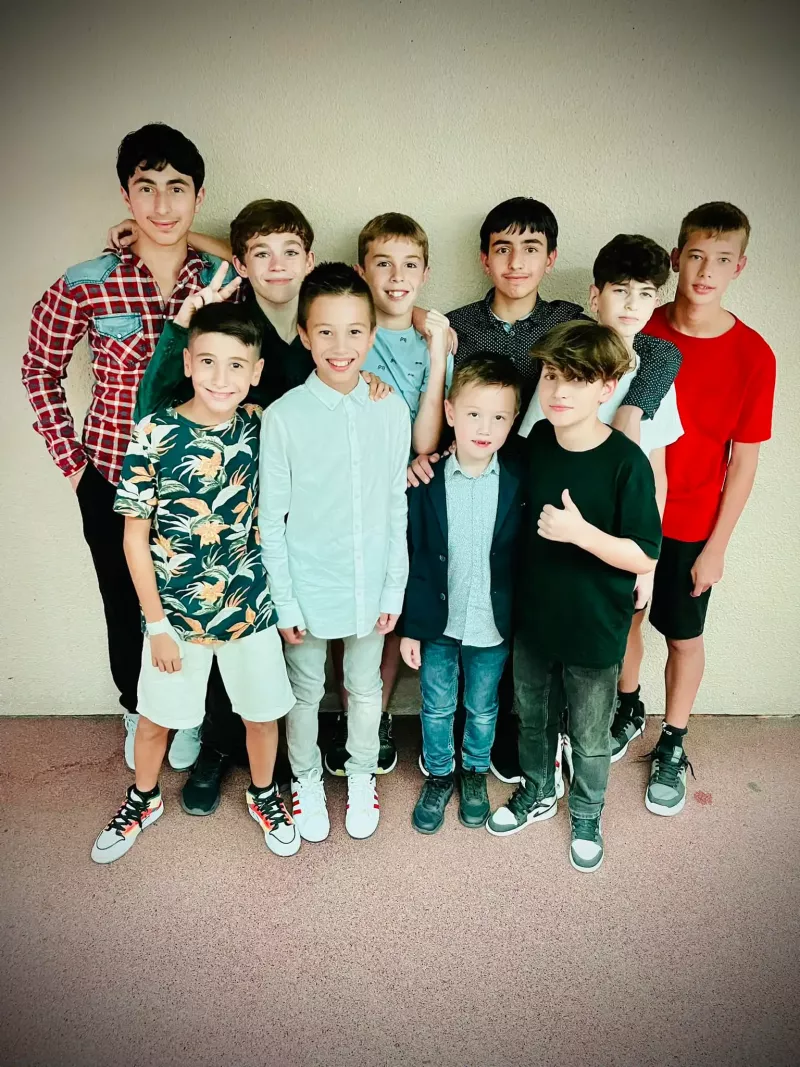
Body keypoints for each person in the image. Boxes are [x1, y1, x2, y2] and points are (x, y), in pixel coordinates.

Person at [410, 198, 682, 785]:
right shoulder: (459, 325)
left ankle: (539, 737)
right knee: (496, 613)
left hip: (567, 500)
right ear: (484, 258)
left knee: (539, 633)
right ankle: (475, 741)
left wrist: (635, 407)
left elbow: (654, 349)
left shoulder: (567, 323)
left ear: (551, 259)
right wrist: (433, 455)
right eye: (503, 248)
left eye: (531, 249)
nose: (516, 262)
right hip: (496, 487)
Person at [22, 122, 232, 773]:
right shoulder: (85, 283)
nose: (161, 205)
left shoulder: (222, 278)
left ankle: (187, 715)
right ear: (125, 194)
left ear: (198, 196)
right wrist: (75, 467)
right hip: (111, 478)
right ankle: (138, 707)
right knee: (125, 603)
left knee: (196, 603)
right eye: (146, 188)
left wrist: (198, 239)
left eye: (177, 188)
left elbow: (263, 261)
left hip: (199, 480)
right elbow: (39, 370)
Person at [91, 302, 298, 863]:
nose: (220, 377)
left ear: (256, 372)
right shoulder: (154, 432)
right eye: (207, 361)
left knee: (262, 716)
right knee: (155, 721)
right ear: (187, 363)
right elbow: (134, 539)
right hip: (176, 617)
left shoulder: (262, 426)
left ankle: (263, 794)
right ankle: (143, 797)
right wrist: (156, 625)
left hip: (249, 607)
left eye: (236, 365)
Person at [487, 322, 661, 873]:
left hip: (594, 624)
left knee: (588, 734)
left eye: (578, 380)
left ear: (606, 388)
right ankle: (538, 790)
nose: (559, 391)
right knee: (532, 716)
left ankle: (587, 813)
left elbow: (645, 554)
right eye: (551, 375)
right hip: (535, 617)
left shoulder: (626, 462)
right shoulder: (539, 441)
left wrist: (581, 533)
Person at [259, 263, 410, 841]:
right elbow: (271, 521)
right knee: (304, 690)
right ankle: (305, 779)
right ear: (303, 334)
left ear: (371, 335)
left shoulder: (389, 409)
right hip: (306, 581)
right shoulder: (284, 417)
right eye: (325, 331)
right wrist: (284, 602)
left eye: (353, 331)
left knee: (364, 687)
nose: (340, 346)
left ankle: (361, 772)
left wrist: (393, 587)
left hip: (370, 581)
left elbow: (395, 505)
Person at [519, 234, 684, 764]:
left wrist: (648, 565)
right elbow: (532, 449)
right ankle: (554, 741)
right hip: (558, 549)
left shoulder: (655, 368)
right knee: (551, 653)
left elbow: (656, 470)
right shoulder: (565, 361)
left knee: (615, 638)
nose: (632, 303)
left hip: (622, 541)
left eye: (645, 293)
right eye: (620, 290)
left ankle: (614, 718)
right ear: (595, 296)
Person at [638, 202, 776, 815]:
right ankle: (623, 712)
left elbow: (743, 462)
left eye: (722, 259)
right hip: (627, 516)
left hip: (693, 524)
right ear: (676, 259)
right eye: (696, 256)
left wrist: (717, 548)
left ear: (739, 266)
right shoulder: (641, 327)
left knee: (684, 637)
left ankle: (673, 739)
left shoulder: (753, 355)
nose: (706, 271)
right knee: (624, 624)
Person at [324, 212, 453, 778]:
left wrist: (438, 352)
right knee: (348, 607)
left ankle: (374, 717)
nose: (397, 277)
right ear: (362, 271)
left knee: (389, 607)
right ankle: (349, 713)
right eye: (383, 264)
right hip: (355, 496)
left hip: (414, 493)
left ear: (425, 272)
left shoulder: (434, 339)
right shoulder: (349, 337)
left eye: (409, 265)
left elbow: (426, 440)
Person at [400, 355, 524, 833]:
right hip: (438, 623)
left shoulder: (519, 480)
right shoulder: (425, 482)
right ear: (450, 413)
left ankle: (474, 770)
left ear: (513, 421)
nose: (485, 428)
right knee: (436, 705)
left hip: (492, 624)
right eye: (473, 414)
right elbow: (413, 559)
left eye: (499, 417)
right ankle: (439, 773)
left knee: (483, 705)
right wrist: (411, 628)